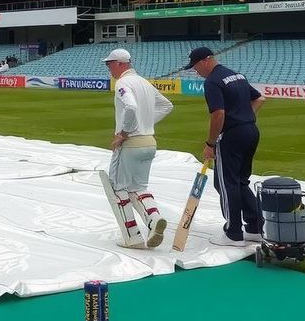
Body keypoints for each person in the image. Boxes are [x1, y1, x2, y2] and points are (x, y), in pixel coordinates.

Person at [185, 46, 266, 247]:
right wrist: (246, 117)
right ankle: (255, 227)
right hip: (250, 131)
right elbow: (259, 98)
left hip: (231, 135)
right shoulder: (236, 76)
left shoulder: (213, 81)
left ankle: (233, 232)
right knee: (240, 181)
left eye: (196, 67)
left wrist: (210, 143)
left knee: (225, 183)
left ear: (205, 61)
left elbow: (218, 114)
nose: (197, 72)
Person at [102, 48, 174, 249]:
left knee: (119, 188)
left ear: (120, 64)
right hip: (149, 142)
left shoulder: (123, 83)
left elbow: (131, 107)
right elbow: (167, 106)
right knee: (139, 188)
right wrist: (145, 123)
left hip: (131, 144)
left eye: (110, 64)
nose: (109, 68)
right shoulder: (143, 82)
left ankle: (132, 235)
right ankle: (153, 219)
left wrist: (123, 133)